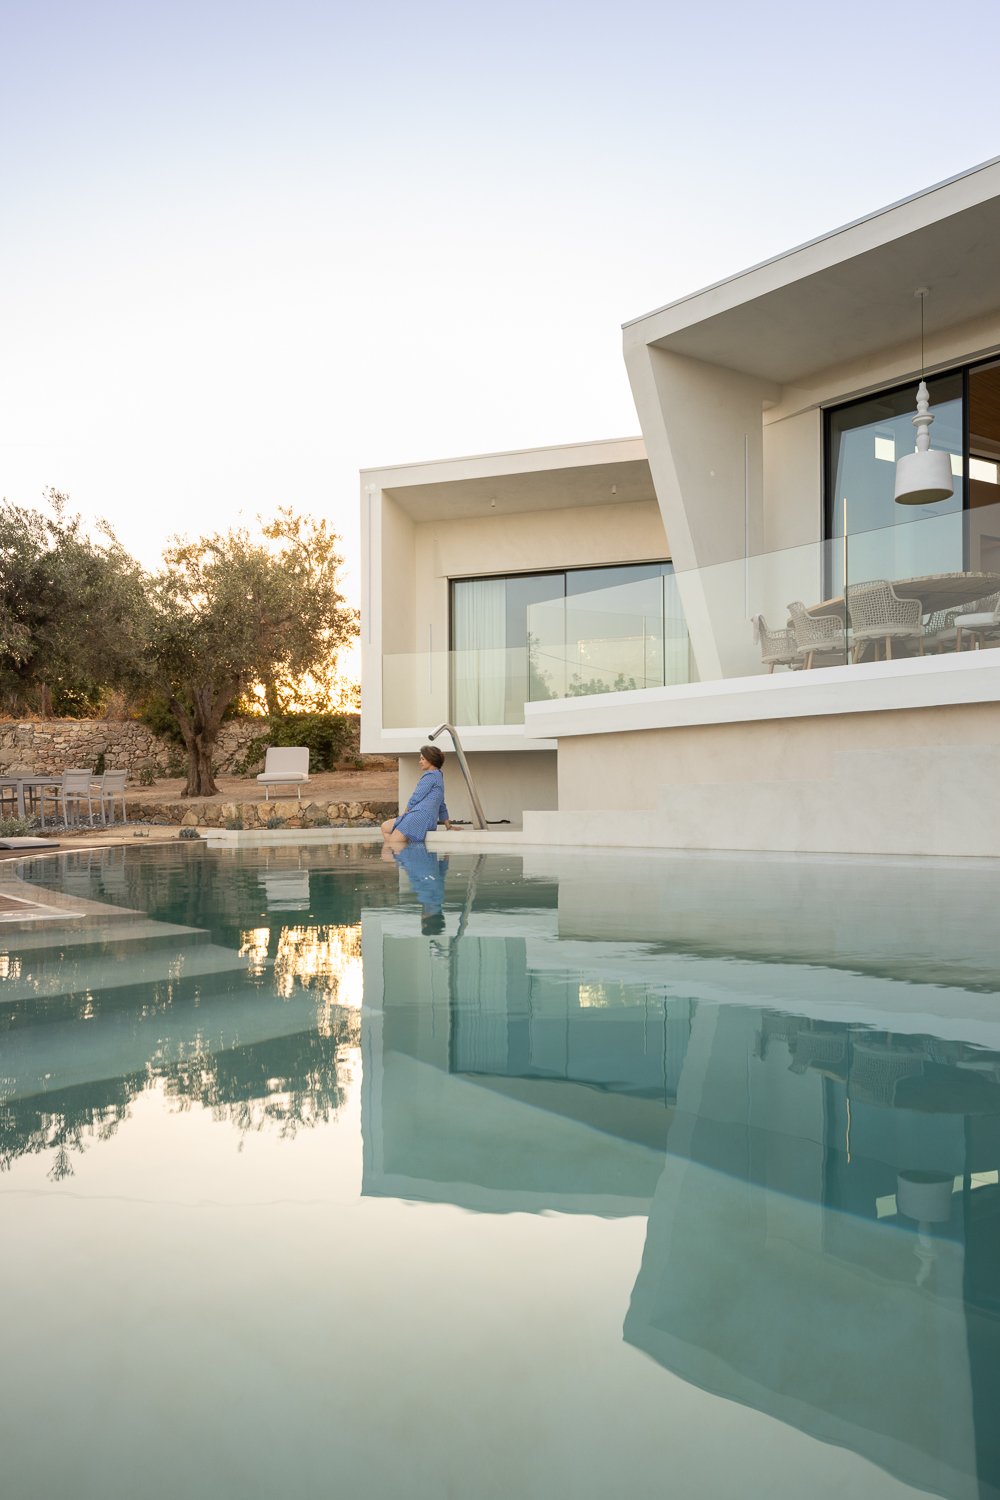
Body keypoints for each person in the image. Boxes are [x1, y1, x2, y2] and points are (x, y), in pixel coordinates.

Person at [381, 744, 452, 845]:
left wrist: (405, 813)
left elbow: (416, 797)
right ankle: (405, 852)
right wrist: (448, 826)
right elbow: (441, 803)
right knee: (385, 827)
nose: (420, 762)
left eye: (422, 759)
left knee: (393, 843)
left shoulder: (430, 775)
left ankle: (404, 852)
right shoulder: (438, 776)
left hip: (419, 817)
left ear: (431, 760)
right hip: (424, 817)